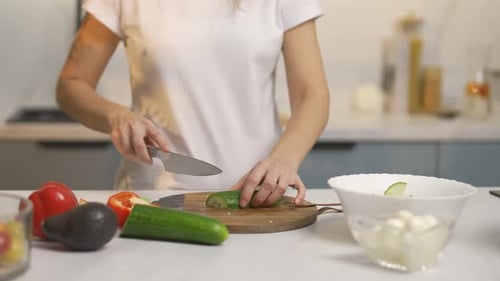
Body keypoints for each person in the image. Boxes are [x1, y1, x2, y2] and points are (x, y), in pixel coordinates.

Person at [56, 0, 330, 208]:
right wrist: (116, 116)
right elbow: (72, 83)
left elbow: (312, 94)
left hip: (259, 198)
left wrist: (284, 160)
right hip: (156, 199)